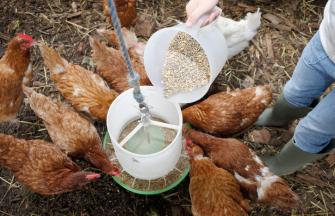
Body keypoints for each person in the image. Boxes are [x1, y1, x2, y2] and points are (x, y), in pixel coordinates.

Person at [186, 0, 335, 176]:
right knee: (296, 91)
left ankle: (282, 164)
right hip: (327, 42)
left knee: (314, 129)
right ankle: (278, 118)